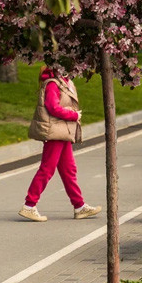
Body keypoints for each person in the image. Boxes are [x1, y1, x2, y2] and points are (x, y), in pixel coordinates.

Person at [20, 67, 101, 222]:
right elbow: (52, 107)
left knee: (69, 170)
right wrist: (74, 115)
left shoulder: (64, 82)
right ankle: (29, 206)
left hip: (63, 132)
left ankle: (79, 206)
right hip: (55, 132)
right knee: (47, 169)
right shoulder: (52, 84)